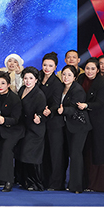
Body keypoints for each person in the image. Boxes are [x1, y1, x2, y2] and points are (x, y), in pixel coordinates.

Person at [77, 58, 104, 192]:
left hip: (98, 121)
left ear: (98, 70)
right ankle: (86, 183)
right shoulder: (81, 79)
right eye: (87, 68)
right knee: (86, 150)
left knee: (98, 150)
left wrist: (86, 105)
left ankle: (99, 185)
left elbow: (99, 102)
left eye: (93, 69)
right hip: (84, 121)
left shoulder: (101, 82)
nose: (89, 71)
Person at [58, 65, 92, 193]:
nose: (66, 77)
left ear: (75, 77)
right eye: (64, 74)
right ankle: (72, 183)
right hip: (68, 125)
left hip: (79, 126)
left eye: (69, 75)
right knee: (71, 154)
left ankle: (77, 186)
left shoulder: (78, 90)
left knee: (75, 154)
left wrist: (63, 110)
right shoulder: (62, 87)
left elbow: (74, 108)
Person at [0, 72, 22, 192]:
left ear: (8, 84)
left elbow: (16, 119)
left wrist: (5, 120)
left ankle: (9, 180)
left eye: (3, 83)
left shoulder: (14, 98)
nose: (0, 86)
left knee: (6, 150)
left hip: (13, 130)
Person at [17, 67, 47, 191]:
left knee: (31, 156)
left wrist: (39, 118)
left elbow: (42, 112)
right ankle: (25, 181)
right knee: (23, 155)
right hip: (24, 128)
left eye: (31, 78)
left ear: (36, 80)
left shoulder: (39, 94)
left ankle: (36, 183)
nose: (28, 81)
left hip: (35, 130)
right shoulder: (22, 89)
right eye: (25, 78)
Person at [40, 52, 66, 191]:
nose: (47, 68)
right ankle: (44, 181)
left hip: (54, 122)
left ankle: (56, 183)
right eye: (45, 65)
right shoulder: (39, 78)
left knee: (55, 154)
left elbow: (56, 103)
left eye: (50, 66)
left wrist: (50, 110)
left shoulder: (57, 83)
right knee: (44, 153)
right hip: (41, 122)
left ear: (56, 67)